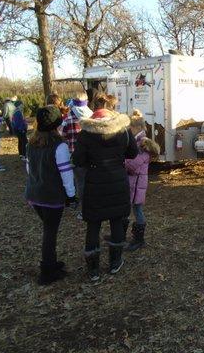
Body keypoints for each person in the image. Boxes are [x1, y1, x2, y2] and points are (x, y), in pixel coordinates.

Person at [72, 95, 138, 281]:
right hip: (117, 179)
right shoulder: (122, 130)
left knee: (93, 224)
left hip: (94, 181)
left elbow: (77, 160)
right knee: (117, 220)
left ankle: (93, 270)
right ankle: (115, 263)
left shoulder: (86, 133)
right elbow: (133, 152)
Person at [25, 106, 77, 285]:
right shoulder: (59, 146)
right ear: (57, 124)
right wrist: (71, 195)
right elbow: (66, 173)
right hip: (51, 197)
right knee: (50, 232)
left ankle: (52, 263)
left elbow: (29, 169)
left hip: (34, 194)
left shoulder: (30, 144)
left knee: (49, 229)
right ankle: (47, 271)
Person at [124, 110, 160, 251]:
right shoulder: (136, 142)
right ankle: (121, 236)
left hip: (137, 183)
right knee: (128, 209)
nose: (128, 130)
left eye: (130, 127)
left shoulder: (142, 144)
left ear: (137, 128)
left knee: (137, 210)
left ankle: (139, 239)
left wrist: (120, 161)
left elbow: (133, 165)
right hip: (134, 182)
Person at [62, 92, 93, 220]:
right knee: (91, 183)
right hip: (92, 157)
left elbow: (62, 137)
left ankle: (83, 211)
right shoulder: (92, 117)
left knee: (80, 184)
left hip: (75, 157)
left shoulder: (67, 119)